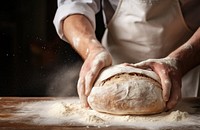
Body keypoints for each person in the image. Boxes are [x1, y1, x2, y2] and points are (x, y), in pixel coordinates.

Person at [53, 0, 200, 110]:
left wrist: (179, 61)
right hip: (112, 67)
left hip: (186, 67)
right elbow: (73, 5)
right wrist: (91, 50)